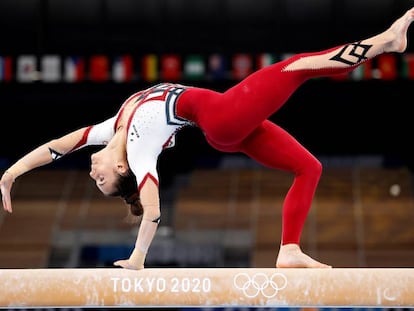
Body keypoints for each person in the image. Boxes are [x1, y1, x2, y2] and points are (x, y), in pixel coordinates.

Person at [2, 7, 414, 270]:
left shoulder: (110, 130)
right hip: (222, 118)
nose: (94, 176)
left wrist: (12, 173)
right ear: (123, 167)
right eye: (104, 182)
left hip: (226, 131)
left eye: (98, 181)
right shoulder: (140, 149)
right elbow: (153, 211)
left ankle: (289, 249)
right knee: (299, 66)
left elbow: (55, 147)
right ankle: (386, 43)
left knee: (310, 167)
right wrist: (139, 258)